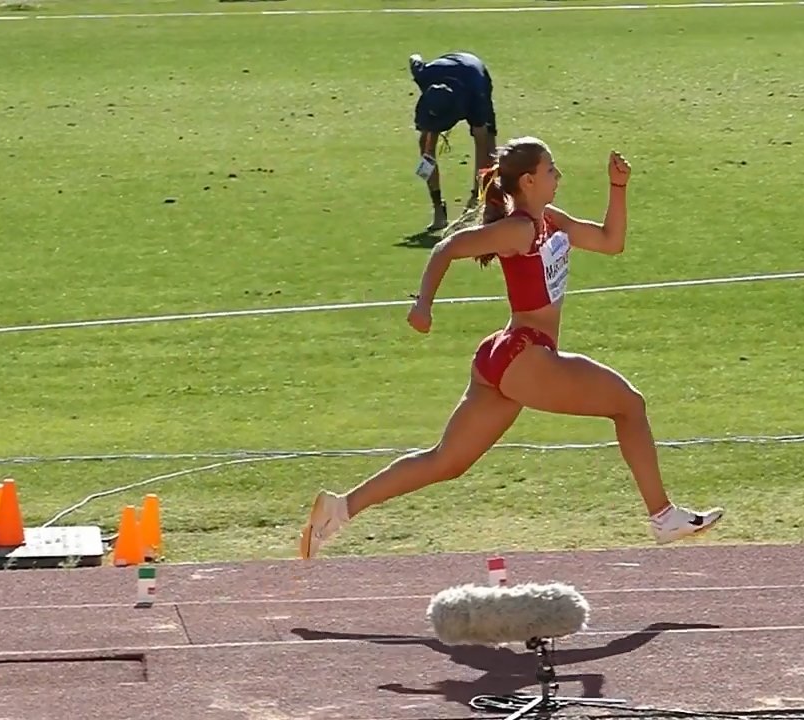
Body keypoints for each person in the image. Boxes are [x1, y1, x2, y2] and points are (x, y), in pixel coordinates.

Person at [299, 135, 725, 560]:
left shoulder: (549, 220)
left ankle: (340, 508)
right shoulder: (518, 230)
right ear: (528, 180)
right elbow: (449, 247)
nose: (558, 175)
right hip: (526, 355)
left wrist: (617, 188)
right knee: (629, 405)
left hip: (506, 357)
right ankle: (663, 515)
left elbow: (611, 241)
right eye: (551, 170)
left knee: (446, 462)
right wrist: (423, 304)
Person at [407, 51, 498, 232]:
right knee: (425, 143)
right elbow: (414, 60)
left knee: (488, 144)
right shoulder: (425, 75)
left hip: (474, 77)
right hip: (439, 89)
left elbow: (481, 147)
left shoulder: (476, 99)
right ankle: (438, 208)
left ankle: (480, 204)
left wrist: (476, 194)